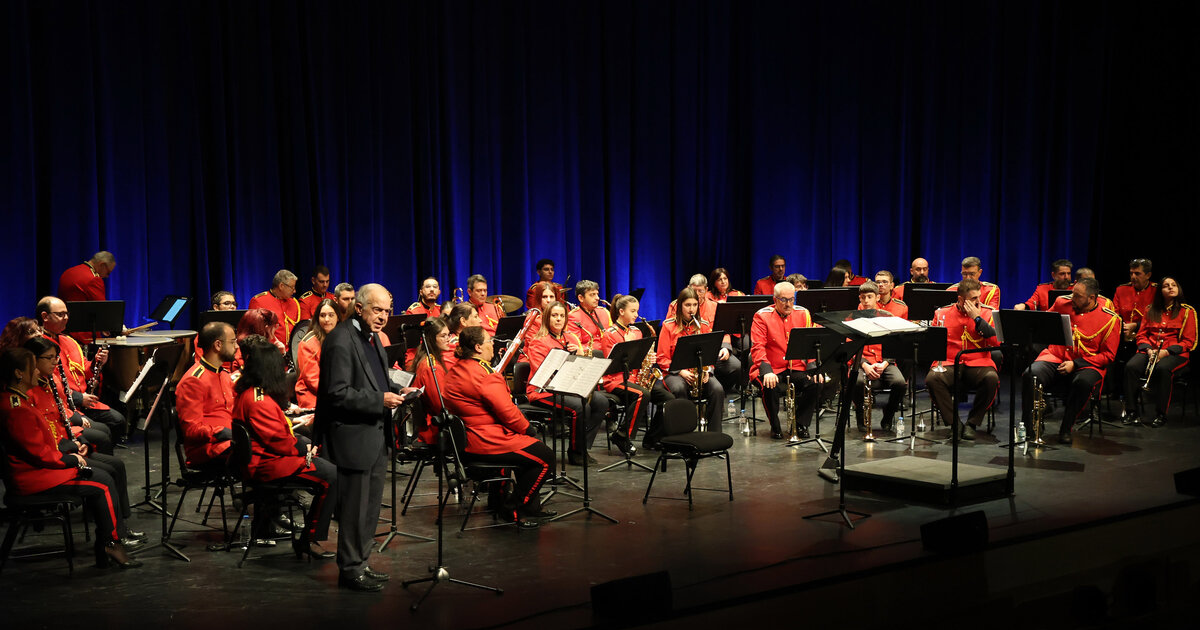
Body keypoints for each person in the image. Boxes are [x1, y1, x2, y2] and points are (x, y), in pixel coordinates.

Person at [0, 347, 141, 569]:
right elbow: (39, 453)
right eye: (33, 368)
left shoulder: (18, 400)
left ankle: (109, 542)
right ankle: (110, 544)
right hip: (33, 478)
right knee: (102, 483)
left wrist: (73, 448)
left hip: (40, 469)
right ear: (19, 373)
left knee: (104, 474)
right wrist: (72, 459)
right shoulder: (17, 408)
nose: (37, 372)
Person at [314, 283, 404, 591]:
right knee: (354, 509)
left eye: (387, 311)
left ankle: (361, 563)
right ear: (359, 307)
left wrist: (397, 389)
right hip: (353, 437)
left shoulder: (373, 337)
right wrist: (380, 400)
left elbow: (375, 379)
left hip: (375, 434)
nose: (383, 317)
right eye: (377, 310)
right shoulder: (340, 340)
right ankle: (350, 570)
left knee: (369, 508)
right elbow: (336, 394)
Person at [233, 335, 336, 559]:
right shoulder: (259, 401)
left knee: (316, 454)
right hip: (267, 465)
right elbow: (279, 442)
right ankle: (310, 539)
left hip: (265, 459)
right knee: (332, 475)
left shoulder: (251, 393)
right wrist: (304, 450)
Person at [443, 326, 556, 529]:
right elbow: (508, 413)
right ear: (478, 347)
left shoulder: (455, 370)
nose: (493, 344)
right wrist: (529, 430)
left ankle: (525, 507)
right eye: (489, 341)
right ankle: (513, 508)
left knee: (529, 453)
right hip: (487, 441)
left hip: (467, 440)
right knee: (545, 457)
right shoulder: (485, 374)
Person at [1021, 278, 1120, 444]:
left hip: (1088, 363)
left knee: (1083, 382)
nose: (1072, 298)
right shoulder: (1062, 303)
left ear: (1091, 297)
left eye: (1078, 296)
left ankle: (1066, 428)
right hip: (1056, 355)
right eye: (1073, 293)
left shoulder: (1110, 319)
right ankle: (1031, 427)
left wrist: (1076, 364)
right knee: (1031, 374)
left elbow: (1108, 356)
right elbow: (1043, 325)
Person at [525, 302, 609, 463]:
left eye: (562, 316)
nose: (559, 319)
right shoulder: (539, 342)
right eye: (554, 316)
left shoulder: (571, 338)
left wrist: (580, 355)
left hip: (568, 387)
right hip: (543, 391)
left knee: (601, 402)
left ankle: (583, 445)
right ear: (546, 318)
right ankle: (576, 452)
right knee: (581, 406)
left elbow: (581, 368)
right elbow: (544, 375)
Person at [36, 296, 127, 440]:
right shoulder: (40, 346)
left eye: (67, 314)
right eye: (60, 314)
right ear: (45, 316)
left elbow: (84, 370)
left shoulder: (69, 341)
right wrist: (79, 398)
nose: (66, 318)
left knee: (118, 421)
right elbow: (48, 386)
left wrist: (97, 362)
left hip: (85, 400)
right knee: (103, 434)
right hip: (66, 404)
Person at [924, 279, 1000, 440]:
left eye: (979, 297)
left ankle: (972, 423)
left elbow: (996, 342)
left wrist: (977, 318)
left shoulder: (988, 313)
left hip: (978, 362)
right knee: (933, 379)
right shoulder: (942, 313)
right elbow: (933, 344)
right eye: (973, 298)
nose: (978, 301)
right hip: (950, 362)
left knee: (991, 379)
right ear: (960, 299)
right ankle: (955, 424)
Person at [599, 295, 674, 456]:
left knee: (668, 399)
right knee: (642, 394)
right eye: (632, 311)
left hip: (635, 378)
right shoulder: (609, 334)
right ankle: (622, 435)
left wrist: (648, 358)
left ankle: (653, 438)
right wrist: (627, 344)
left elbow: (638, 360)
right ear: (621, 312)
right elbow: (612, 365)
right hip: (616, 381)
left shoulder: (637, 331)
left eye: (637, 311)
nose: (636, 315)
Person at [1122, 277, 1196, 427]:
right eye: (1166, 286)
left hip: (1175, 354)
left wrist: (1166, 352)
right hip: (1150, 350)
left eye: (1174, 285)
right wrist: (1149, 350)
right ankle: (1131, 411)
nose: (1171, 288)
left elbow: (1189, 342)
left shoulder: (1187, 311)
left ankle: (1161, 414)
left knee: (1163, 369)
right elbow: (1142, 335)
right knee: (1131, 366)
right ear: (1160, 291)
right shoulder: (1150, 310)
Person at [749, 282, 820, 439]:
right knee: (770, 385)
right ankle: (775, 426)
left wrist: (813, 369)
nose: (788, 304)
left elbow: (811, 344)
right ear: (775, 300)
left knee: (815, 383)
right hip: (772, 368)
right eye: (784, 300)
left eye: (791, 299)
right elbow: (758, 347)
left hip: (796, 367)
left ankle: (800, 424)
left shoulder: (803, 314)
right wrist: (767, 371)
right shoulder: (762, 316)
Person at [656, 288, 726, 433]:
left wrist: (707, 370)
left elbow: (710, 355)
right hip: (674, 373)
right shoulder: (668, 326)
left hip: (699, 371)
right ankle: (683, 433)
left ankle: (714, 434)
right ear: (680, 306)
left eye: (694, 305)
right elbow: (662, 358)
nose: (691, 309)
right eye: (687, 305)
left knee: (718, 389)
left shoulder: (703, 325)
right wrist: (680, 371)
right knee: (679, 388)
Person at [175, 322, 237, 469]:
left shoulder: (224, 374)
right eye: (233, 342)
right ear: (218, 345)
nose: (236, 346)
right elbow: (191, 430)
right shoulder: (193, 380)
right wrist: (222, 432)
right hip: (209, 449)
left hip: (230, 441)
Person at [664, 275, 741, 394]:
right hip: (683, 353)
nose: (697, 294)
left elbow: (723, 330)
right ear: (688, 288)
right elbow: (671, 330)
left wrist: (725, 347)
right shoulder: (676, 305)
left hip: (708, 352)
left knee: (735, 367)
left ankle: (718, 390)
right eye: (694, 290)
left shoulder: (714, 306)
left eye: (700, 291)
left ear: (706, 290)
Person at [850, 283, 907, 433]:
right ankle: (861, 415)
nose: (866, 301)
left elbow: (895, 345)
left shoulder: (888, 318)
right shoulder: (852, 319)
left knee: (900, 383)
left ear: (877, 297)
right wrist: (865, 365)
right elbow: (851, 347)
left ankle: (888, 415)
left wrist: (885, 363)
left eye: (869, 297)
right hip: (862, 363)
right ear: (859, 299)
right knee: (857, 382)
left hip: (885, 362)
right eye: (863, 297)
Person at [409, 318, 454, 445]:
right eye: (443, 336)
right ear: (431, 339)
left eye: (448, 335)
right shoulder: (432, 367)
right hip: (434, 430)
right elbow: (440, 406)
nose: (448, 339)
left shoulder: (429, 360)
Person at [295, 299, 339, 409]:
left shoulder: (344, 338)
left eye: (331, 315)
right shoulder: (308, 343)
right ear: (317, 318)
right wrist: (339, 394)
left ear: (338, 317)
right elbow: (313, 381)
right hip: (313, 395)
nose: (327, 319)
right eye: (322, 315)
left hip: (337, 393)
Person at [248, 269, 302, 347]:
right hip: (269, 350)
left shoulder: (294, 303)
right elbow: (254, 333)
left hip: (292, 349)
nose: (294, 291)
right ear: (281, 286)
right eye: (292, 288)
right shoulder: (259, 301)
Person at [568, 280, 612, 356]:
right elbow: (576, 346)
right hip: (588, 357)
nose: (597, 298)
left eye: (597, 294)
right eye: (592, 295)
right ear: (581, 298)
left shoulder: (604, 312)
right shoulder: (573, 317)